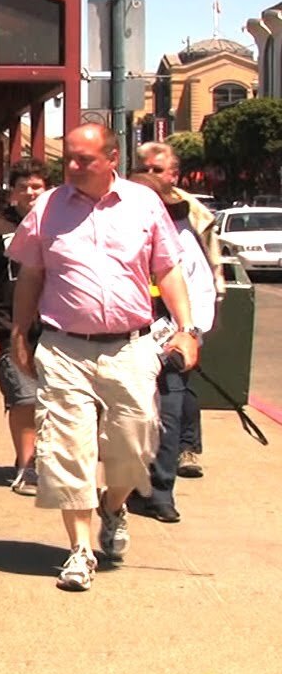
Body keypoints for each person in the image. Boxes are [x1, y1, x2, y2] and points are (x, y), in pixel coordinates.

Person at [7, 123, 200, 592]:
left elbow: (168, 270)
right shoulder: (47, 207)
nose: (72, 167)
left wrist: (187, 330)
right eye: (68, 158)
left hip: (130, 346)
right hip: (63, 345)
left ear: (112, 157)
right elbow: (31, 274)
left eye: (84, 160)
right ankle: (79, 550)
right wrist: (18, 332)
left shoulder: (143, 203)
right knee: (68, 450)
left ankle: (114, 506)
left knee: (135, 447)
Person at [126, 172, 218, 523]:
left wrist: (190, 333)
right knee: (129, 419)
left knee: (169, 412)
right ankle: (129, 483)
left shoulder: (182, 239)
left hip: (169, 339)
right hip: (122, 340)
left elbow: (200, 289)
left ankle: (160, 492)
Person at [135, 141, 222, 478]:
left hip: (182, 320)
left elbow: (205, 271)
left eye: (158, 170)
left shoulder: (191, 215)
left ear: (174, 175)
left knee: (177, 392)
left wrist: (192, 329)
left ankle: (184, 450)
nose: (151, 176)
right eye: (145, 169)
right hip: (135, 328)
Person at [0, 160, 48, 497]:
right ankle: (26, 466)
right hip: (9, 329)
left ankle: (49, 463)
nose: (30, 193)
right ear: (12, 192)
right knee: (24, 399)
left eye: (37, 186)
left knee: (55, 402)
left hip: (57, 329)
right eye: (23, 187)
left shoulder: (59, 226)